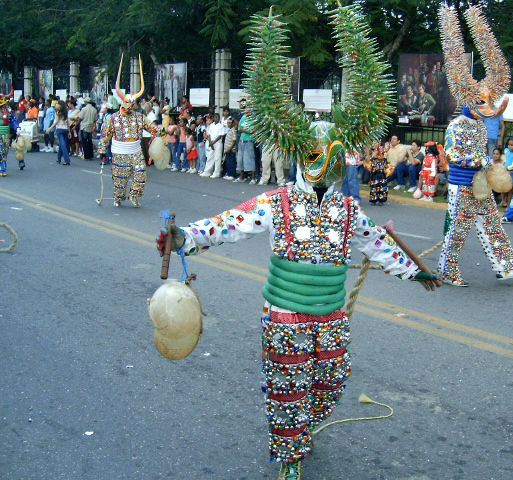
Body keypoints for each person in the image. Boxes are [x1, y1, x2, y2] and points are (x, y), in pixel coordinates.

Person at [156, 7, 438, 479]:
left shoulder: (349, 210)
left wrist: (415, 272)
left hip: (331, 317)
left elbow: (376, 244)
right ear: (298, 154)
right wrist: (184, 237)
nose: (322, 163)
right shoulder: (279, 202)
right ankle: (289, 456)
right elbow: (230, 223)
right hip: (285, 317)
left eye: (331, 156)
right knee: (289, 388)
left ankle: (302, 429)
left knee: (331, 382)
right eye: (313, 154)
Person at [438, 5, 513, 287]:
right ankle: (448, 271)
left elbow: (480, 154)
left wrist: (487, 163)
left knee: (492, 224)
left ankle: (507, 267)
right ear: (468, 103)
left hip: (481, 184)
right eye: (481, 103)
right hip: (463, 185)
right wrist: (478, 159)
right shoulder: (457, 126)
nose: (487, 107)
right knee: (458, 231)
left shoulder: (478, 125)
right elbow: (452, 154)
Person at [101, 54, 158, 207]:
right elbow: (106, 134)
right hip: (120, 151)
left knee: (140, 175)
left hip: (136, 151)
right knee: (121, 178)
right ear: (122, 104)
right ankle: (118, 197)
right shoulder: (113, 118)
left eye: (132, 105)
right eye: (127, 104)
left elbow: (152, 128)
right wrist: (102, 149)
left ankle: (134, 196)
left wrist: (161, 132)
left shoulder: (140, 117)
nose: (129, 107)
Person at [0, 88, 22, 176]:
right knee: (0, 151)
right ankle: (2, 168)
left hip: (6, 133)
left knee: (5, 151)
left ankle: (3, 168)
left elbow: (13, 120)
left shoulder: (8, 110)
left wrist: (17, 128)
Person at [235, 100, 256, 184]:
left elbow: (252, 131)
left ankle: (253, 178)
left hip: (249, 141)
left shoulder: (253, 119)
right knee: (240, 159)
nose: (247, 111)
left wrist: (244, 130)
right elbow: (239, 129)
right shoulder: (243, 118)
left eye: (249, 109)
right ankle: (242, 177)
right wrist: (244, 130)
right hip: (242, 140)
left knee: (250, 159)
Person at [46, 100, 72, 166]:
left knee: (62, 145)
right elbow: (68, 122)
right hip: (65, 129)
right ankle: (59, 158)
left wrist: (50, 128)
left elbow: (56, 122)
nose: (56, 105)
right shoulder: (66, 112)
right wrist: (69, 131)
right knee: (62, 144)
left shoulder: (58, 112)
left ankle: (67, 160)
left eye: (57, 104)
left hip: (60, 129)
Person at [201, 113, 224, 178]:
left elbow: (220, 135)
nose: (217, 118)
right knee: (210, 157)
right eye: (215, 117)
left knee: (217, 158)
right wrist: (210, 142)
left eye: (218, 117)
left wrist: (213, 142)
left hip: (218, 143)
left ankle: (216, 172)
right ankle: (207, 172)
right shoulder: (211, 125)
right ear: (213, 118)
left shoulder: (221, 125)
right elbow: (209, 134)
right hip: (211, 142)